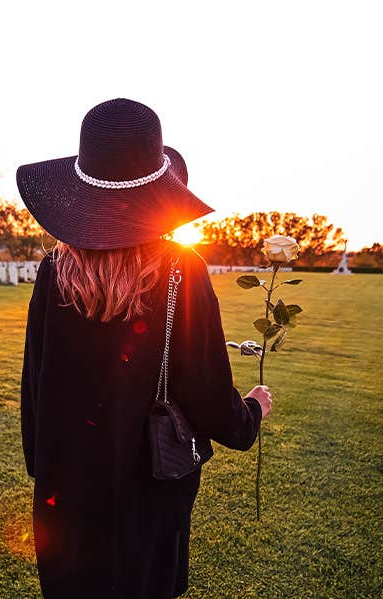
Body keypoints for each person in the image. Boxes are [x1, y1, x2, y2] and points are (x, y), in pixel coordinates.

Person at [17, 98, 272, 598]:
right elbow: (207, 391)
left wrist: (42, 462)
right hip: (152, 486)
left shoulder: (55, 271)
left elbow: (36, 379)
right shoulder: (183, 269)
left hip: (66, 487)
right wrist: (250, 414)